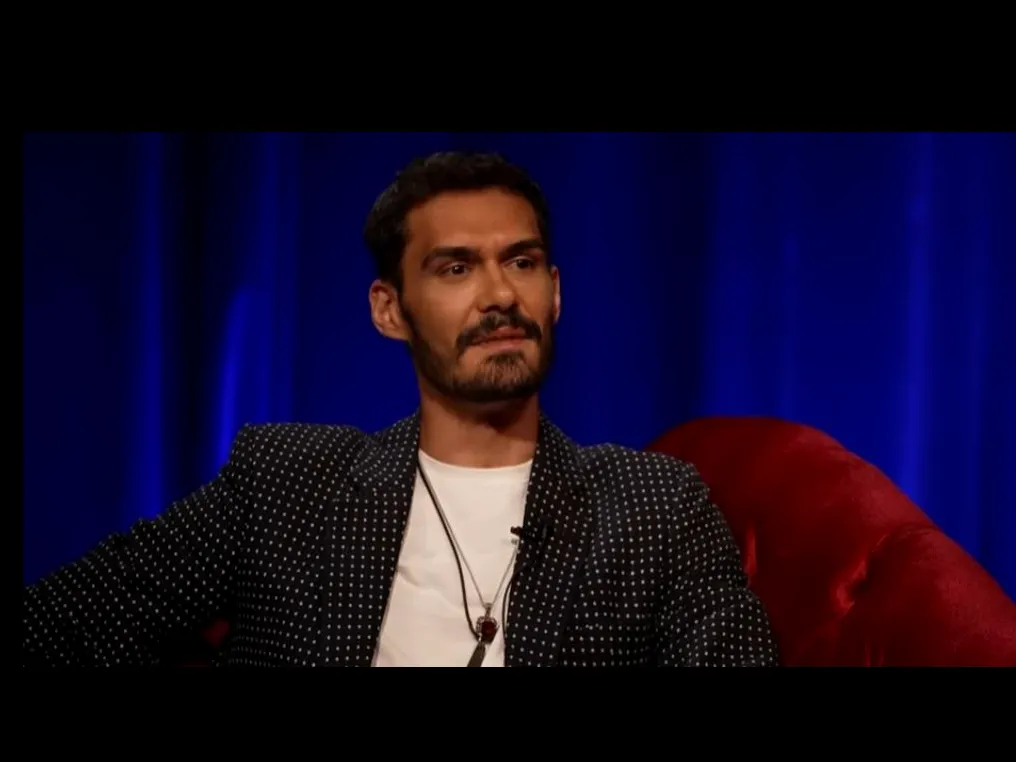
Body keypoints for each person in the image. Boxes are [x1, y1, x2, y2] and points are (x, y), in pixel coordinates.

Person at [22, 150, 779, 668]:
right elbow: (59, 627)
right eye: (456, 268)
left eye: (521, 262)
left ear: (555, 292)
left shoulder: (654, 506)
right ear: (389, 310)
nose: (499, 294)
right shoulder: (285, 484)